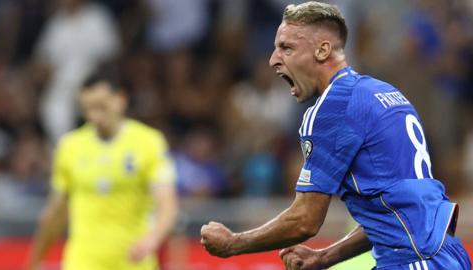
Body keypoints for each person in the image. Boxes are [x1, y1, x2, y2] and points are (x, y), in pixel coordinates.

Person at [200, 2, 472, 270]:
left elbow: (305, 220)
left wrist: (234, 243)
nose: (274, 59)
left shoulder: (333, 108)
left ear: (322, 49)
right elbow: (392, 212)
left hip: (414, 260)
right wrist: (325, 257)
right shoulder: (383, 93)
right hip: (438, 254)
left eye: (287, 47)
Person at [27, 72, 178, 270]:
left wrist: (153, 237)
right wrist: (34, 261)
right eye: (87, 109)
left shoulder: (149, 142)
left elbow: (167, 204)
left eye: (101, 106)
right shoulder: (70, 147)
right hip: (82, 263)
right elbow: (56, 213)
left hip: (134, 262)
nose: (94, 116)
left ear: (120, 100)